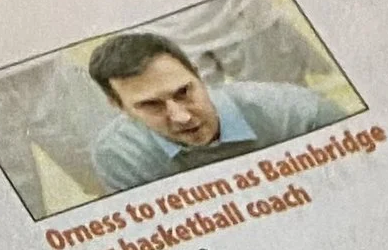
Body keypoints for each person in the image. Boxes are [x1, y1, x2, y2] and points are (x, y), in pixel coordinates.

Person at [84, 29, 334, 190]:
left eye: (184, 92)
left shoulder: (298, 114)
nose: (181, 117)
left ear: (198, 75)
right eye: (151, 105)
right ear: (119, 107)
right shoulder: (119, 156)